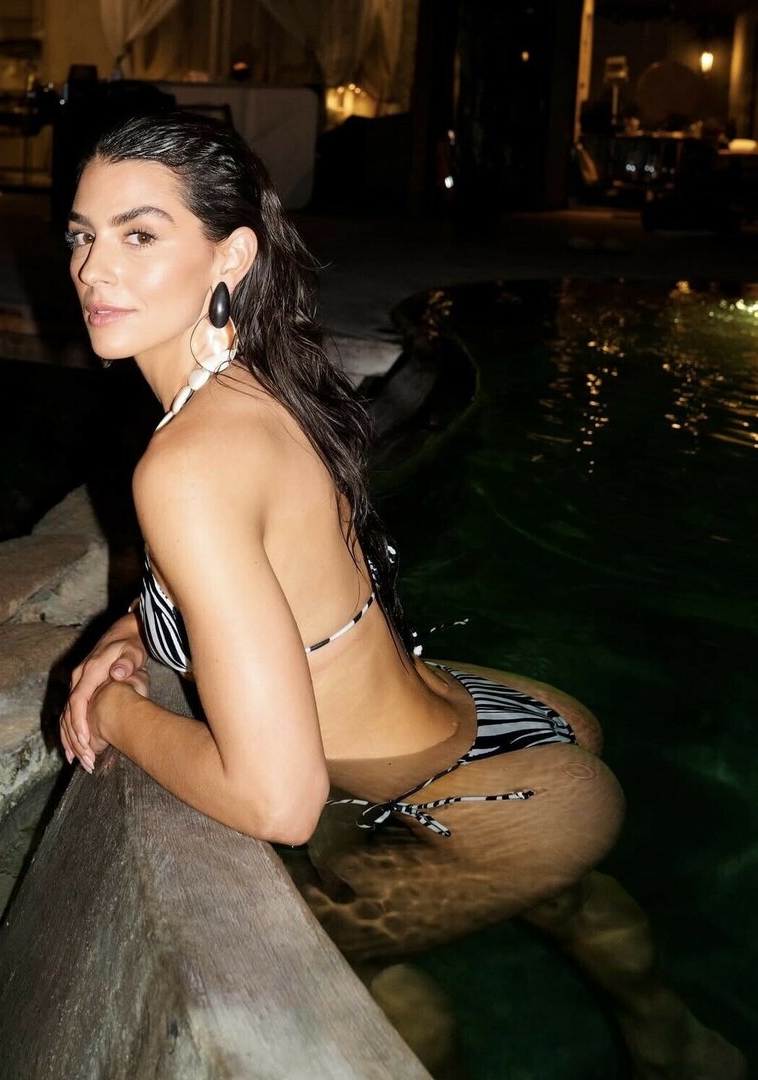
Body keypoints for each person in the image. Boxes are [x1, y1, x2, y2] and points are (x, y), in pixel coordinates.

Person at [57, 111, 744, 1079]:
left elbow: (279, 801)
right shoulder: (263, 385)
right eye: (81, 236)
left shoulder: (188, 464)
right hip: (505, 733)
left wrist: (114, 715)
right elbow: (254, 576)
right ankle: (669, 1034)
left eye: (138, 235)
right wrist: (132, 627)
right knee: (544, 891)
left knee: (330, 970)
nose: (93, 270)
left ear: (232, 256)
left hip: (481, 801)